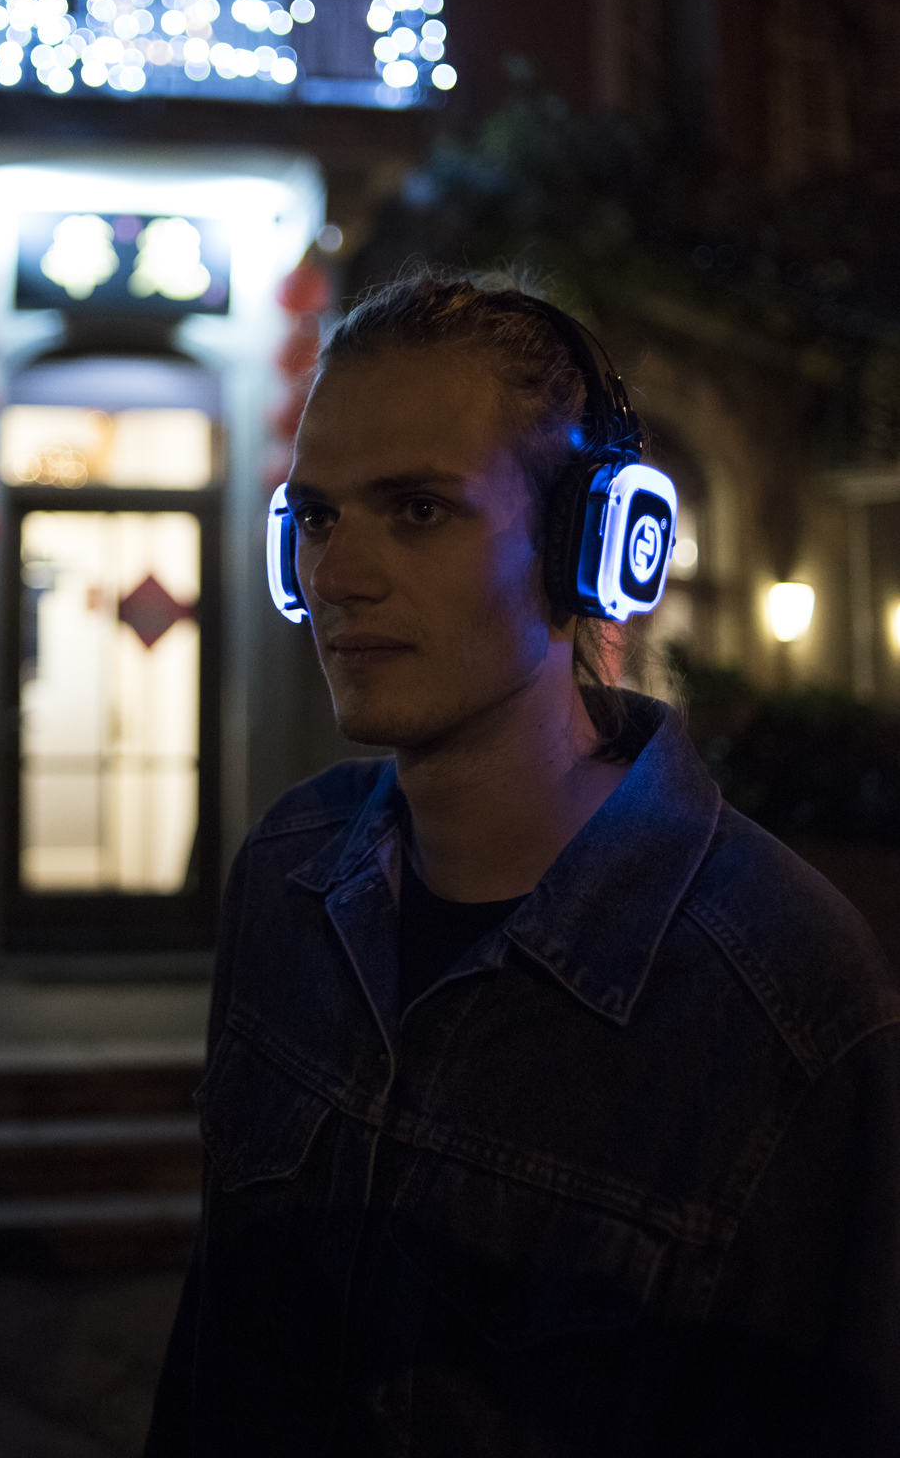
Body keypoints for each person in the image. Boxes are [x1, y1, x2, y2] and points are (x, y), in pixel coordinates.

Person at [144, 269, 900, 1458]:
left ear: (594, 545)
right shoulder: (287, 875)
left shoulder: (782, 995)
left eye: (419, 509)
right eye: (320, 516)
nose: (338, 574)